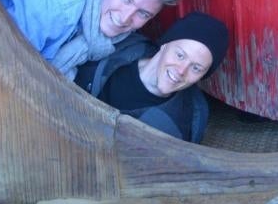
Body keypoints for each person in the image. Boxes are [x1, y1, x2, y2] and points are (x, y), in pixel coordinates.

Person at [0, 0, 184, 79]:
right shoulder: (51, 6)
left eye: (143, 13)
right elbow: (4, 68)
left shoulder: (102, 1)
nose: (126, 17)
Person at [75, 11, 229, 143]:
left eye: (196, 68)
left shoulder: (178, 127)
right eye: (180, 55)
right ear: (165, 45)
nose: (182, 70)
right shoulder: (114, 49)